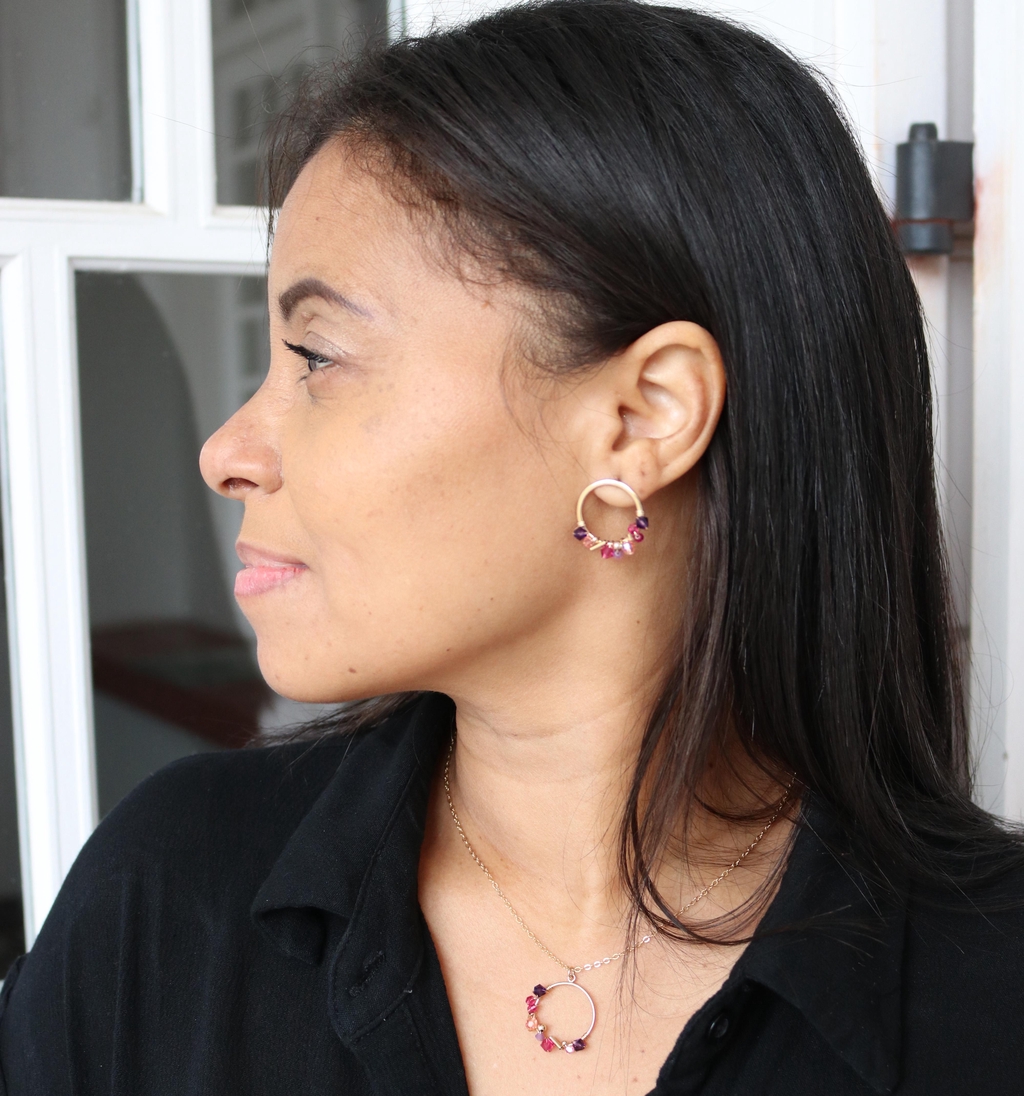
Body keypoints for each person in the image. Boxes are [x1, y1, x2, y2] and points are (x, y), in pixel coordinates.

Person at [2, 1, 1023, 1092]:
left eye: (317, 355)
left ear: (642, 418)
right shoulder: (169, 900)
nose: (228, 452)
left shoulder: (991, 994)